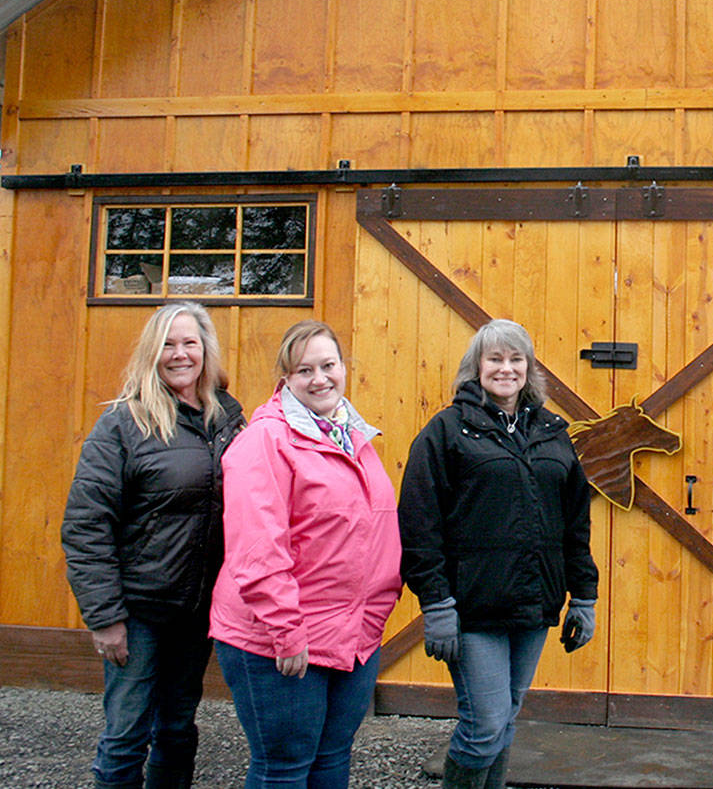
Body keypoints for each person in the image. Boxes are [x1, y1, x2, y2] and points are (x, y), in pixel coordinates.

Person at [398, 318, 599, 789]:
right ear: (476, 367)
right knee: (484, 725)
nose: (506, 369)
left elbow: (575, 523)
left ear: (529, 369)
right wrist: (436, 603)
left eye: (516, 359)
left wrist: (584, 597)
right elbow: (419, 523)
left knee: (505, 721)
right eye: (495, 359)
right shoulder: (447, 432)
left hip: (533, 605)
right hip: (472, 609)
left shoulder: (551, 433)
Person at [209, 320, 402, 788]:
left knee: (332, 759)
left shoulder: (352, 435)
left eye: (328, 365)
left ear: (343, 368)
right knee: (285, 768)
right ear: (285, 379)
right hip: (280, 639)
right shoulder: (265, 441)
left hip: (351, 636)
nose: (320, 379)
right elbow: (258, 546)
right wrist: (286, 630)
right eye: (304, 370)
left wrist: (374, 615)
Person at [62, 302, 245, 789]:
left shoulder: (227, 419)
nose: (180, 354)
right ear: (151, 352)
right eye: (168, 343)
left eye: (190, 343)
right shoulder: (124, 424)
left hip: (197, 609)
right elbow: (86, 524)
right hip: (138, 610)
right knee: (126, 735)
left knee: (178, 729)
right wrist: (105, 617)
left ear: (206, 350)